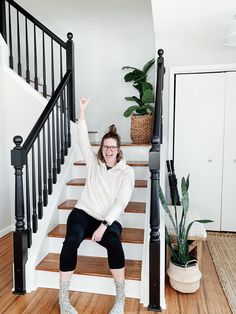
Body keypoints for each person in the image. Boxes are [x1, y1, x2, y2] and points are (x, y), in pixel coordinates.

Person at [59, 97, 135, 314]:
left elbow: (121, 202)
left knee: (114, 243)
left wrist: (104, 224)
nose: (108, 151)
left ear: (119, 150)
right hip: (83, 213)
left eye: (113, 147)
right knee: (71, 241)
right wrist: (82, 112)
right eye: (105, 147)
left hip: (108, 219)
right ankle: (63, 300)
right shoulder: (94, 163)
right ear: (101, 148)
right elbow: (83, 139)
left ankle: (120, 299)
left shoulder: (126, 172)